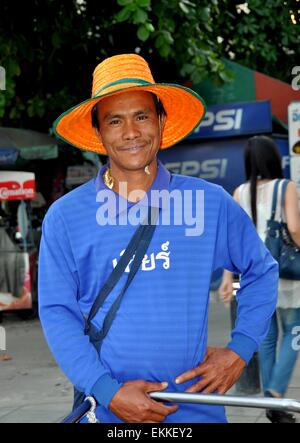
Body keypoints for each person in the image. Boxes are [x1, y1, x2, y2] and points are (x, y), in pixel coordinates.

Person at [38, 54, 278, 423]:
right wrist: (107, 390)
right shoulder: (66, 217)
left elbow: (261, 271)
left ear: (162, 122)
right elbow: (58, 312)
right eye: (114, 121)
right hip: (107, 411)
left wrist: (240, 350)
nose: (131, 132)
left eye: (142, 116)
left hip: (198, 409)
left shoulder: (208, 202)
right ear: (99, 133)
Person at [219, 135, 300, 423]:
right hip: (287, 275)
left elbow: (231, 241)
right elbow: (294, 228)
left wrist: (228, 277)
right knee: (295, 329)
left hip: (254, 277)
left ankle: (271, 398)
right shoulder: (286, 187)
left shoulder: (239, 191)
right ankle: (275, 395)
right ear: (273, 159)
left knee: (266, 339)